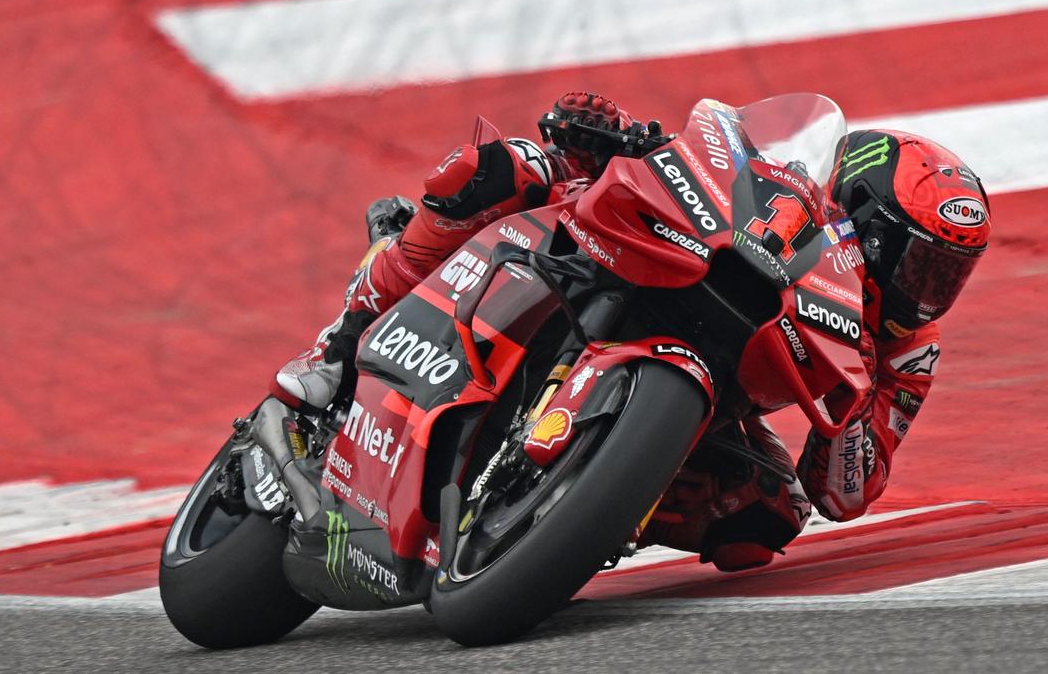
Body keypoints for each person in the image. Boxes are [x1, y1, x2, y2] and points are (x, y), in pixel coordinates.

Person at [251, 93, 992, 573]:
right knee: (494, 169)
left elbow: (846, 493)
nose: (925, 290)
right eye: (917, 261)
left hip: (709, 403)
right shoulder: (789, 206)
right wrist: (612, 135)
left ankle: (570, 519)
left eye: (945, 275)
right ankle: (337, 346)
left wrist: (857, 409)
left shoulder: (904, 356)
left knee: (765, 516)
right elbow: (708, 161)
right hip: (606, 259)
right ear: (858, 209)